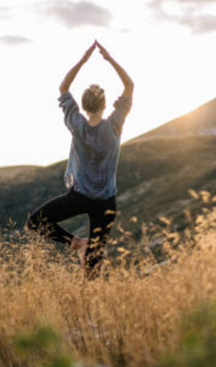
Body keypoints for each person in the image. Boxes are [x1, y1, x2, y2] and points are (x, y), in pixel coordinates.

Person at [26, 40, 134, 278]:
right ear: (105, 105)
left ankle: (76, 243)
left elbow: (63, 87)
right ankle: (90, 309)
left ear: (83, 106)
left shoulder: (77, 125)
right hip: (106, 203)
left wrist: (84, 60)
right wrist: (109, 58)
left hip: (79, 197)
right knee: (93, 270)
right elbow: (129, 85)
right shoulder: (115, 125)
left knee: (34, 222)